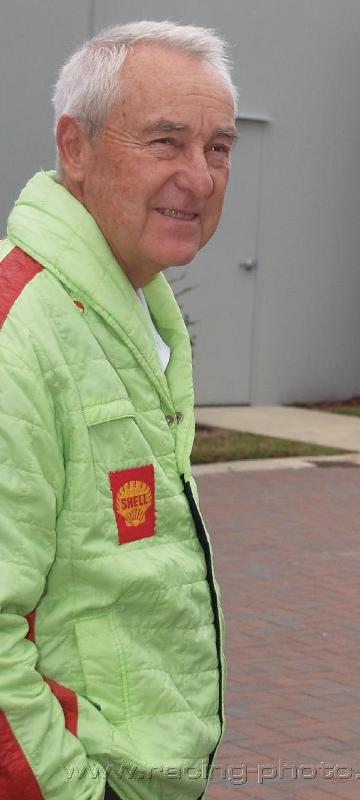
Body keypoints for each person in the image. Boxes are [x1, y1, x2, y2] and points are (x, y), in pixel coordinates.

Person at [0, 20, 238, 800]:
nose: (199, 178)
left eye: (218, 148)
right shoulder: (19, 332)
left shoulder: (133, 310)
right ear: (75, 148)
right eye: (166, 142)